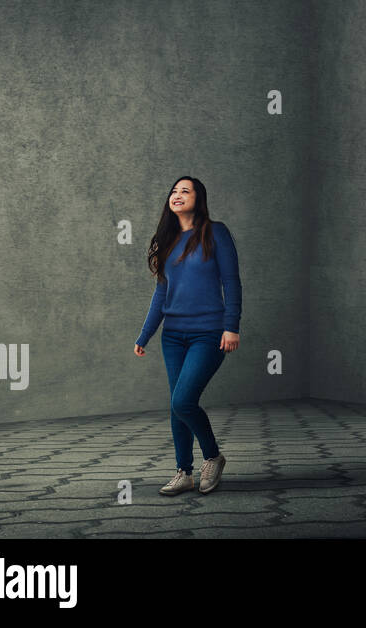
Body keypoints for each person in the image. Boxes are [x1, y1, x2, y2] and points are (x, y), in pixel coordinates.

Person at [133, 176, 242, 496]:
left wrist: (231, 326)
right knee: (176, 405)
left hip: (209, 333)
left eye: (185, 191)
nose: (177, 195)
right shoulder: (167, 240)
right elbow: (161, 293)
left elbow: (232, 282)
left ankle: (213, 457)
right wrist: (145, 335)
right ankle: (184, 472)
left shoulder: (215, 232)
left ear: (198, 198)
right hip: (173, 336)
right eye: (174, 191)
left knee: (183, 401)